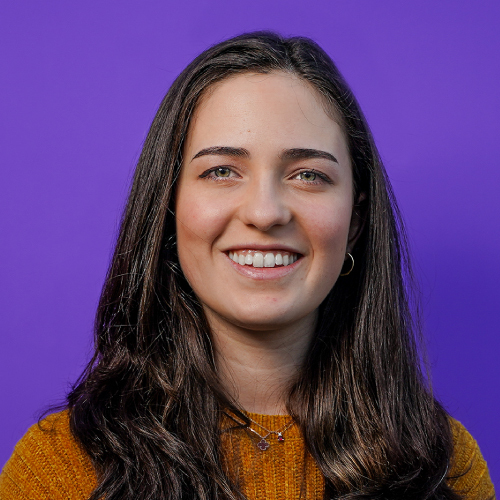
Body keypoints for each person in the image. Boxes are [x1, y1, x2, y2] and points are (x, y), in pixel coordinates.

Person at [0, 32, 494, 500]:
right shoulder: (59, 470)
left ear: (356, 221)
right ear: (168, 208)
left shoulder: (444, 466)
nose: (264, 212)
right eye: (221, 171)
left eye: (308, 175)